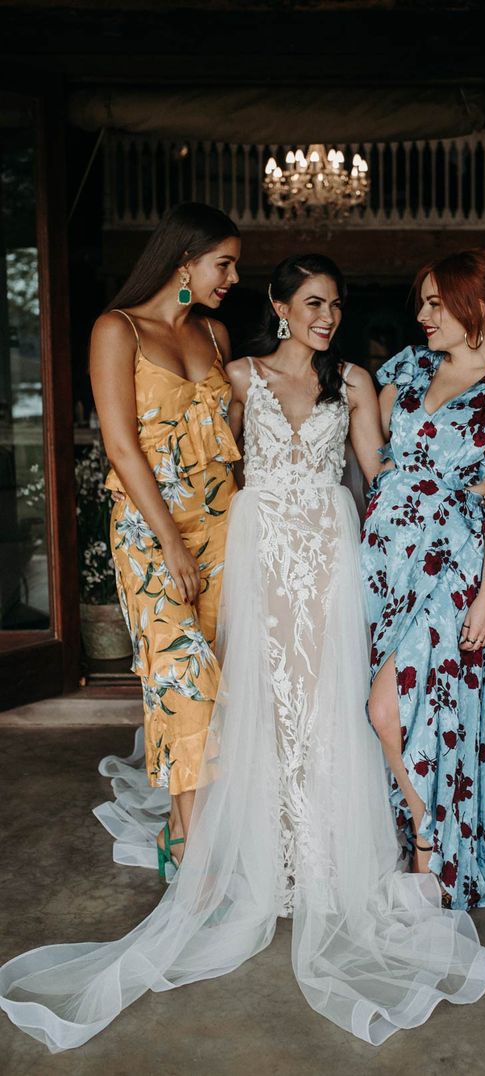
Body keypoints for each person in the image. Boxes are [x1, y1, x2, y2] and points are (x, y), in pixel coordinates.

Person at [0, 253, 485, 1053]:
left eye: (336, 304)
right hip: (260, 549)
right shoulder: (233, 376)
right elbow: (203, 459)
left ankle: (325, 857)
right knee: (265, 698)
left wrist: (463, 488)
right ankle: (265, 858)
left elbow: (382, 478)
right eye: (312, 302)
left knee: (328, 697)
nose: (327, 317)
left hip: (332, 552)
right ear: (277, 306)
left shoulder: (358, 383)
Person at [361, 248, 485, 910]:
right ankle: (416, 841)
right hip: (386, 561)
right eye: (423, 303)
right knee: (404, 710)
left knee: (391, 706)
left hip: (454, 566)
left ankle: (433, 850)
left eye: (438, 303)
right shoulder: (407, 367)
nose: (425, 315)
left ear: (477, 307)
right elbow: (367, 440)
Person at [89, 202, 241, 876]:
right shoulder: (117, 329)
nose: (232, 277)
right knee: (186, 681)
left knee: (225, 685)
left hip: (226, 529)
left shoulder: (214, 335)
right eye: (223, 263)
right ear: (184, 260)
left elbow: (236, 446)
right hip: (152, 535)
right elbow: (122, 447)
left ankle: (186, 836)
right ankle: (193, 847)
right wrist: (172, 545)